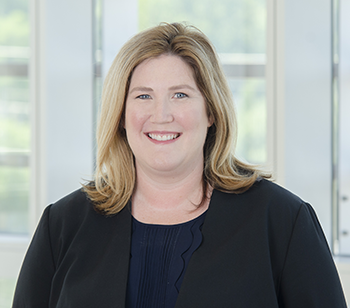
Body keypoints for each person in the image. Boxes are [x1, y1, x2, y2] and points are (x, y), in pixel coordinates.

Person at [12, 23, 346, 308]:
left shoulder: (282, 222)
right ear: (122, 116)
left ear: (211, 111)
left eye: (181, 95)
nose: (161, 115)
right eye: (143, 96)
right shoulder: (62, 226)